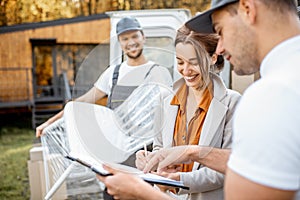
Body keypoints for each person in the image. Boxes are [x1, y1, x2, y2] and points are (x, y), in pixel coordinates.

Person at [98, 0, 300, 199]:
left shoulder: (271, 95)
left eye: (220, 30)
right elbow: (247, 162)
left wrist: (141, 192)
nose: (220, 48)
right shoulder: (287, 81)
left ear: (248, 9)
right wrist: (185, 153)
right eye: (180, 62)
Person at [135, 25, 240, 199]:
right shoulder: (165, 99)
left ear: (213, 58)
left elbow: (229, 167)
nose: (186, 70)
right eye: (180, 62)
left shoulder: (232, 103)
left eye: (194, 62)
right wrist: (149, 160)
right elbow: (160, 147)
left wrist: (180, 180)